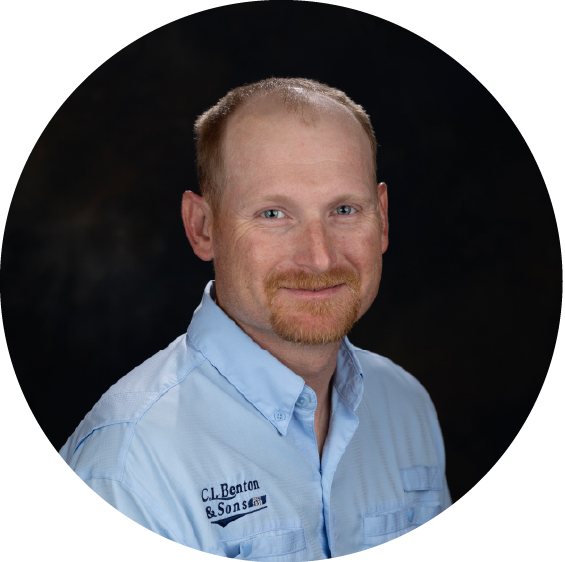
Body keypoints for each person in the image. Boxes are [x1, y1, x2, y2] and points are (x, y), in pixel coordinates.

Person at [60, 78, 451, 559]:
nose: (320, 258)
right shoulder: (127, 466)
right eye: (273, 214)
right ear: (203, 228)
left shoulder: (406, 407)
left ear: (383, 219)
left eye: (344, 210)